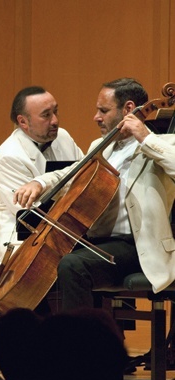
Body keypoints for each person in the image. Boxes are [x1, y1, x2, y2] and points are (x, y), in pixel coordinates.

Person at [13, 78, 175, 312]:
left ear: (128, 109)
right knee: (45, 263)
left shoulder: (163, 144)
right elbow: (71, 173)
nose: (96, 117)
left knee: (73, 265)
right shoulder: (102, 146)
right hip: (100, 244)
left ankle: (82, 336)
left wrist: (145, 137)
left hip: (138, 246)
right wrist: (40, 183)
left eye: (103, 111)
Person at [0, 86, 83, 265]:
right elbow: (34, 217)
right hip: (23, 246)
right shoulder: (10, 155)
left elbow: (84, 174)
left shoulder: (63, 137)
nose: (55, 120)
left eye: (55, 112)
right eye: (46, 115)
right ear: (23, 122)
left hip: (66, 236)